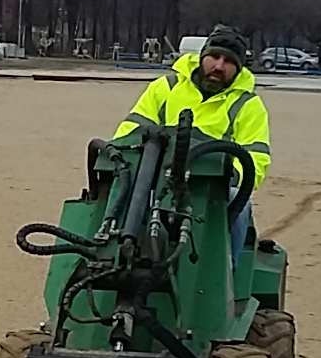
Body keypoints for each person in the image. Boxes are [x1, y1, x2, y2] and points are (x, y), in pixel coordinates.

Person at [115, 25, 271, 253]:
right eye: (214, 57)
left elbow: (255, 158)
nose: (219, 66)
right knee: (119, 190)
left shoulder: (248, 105)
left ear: (238, 69)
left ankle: (227, 268)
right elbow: (129, 131)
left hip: (212, 188)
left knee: (239, 201)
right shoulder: (165, 88)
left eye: (228, 61)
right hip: (156, 176)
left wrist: (227, 177)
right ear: (202, 57)